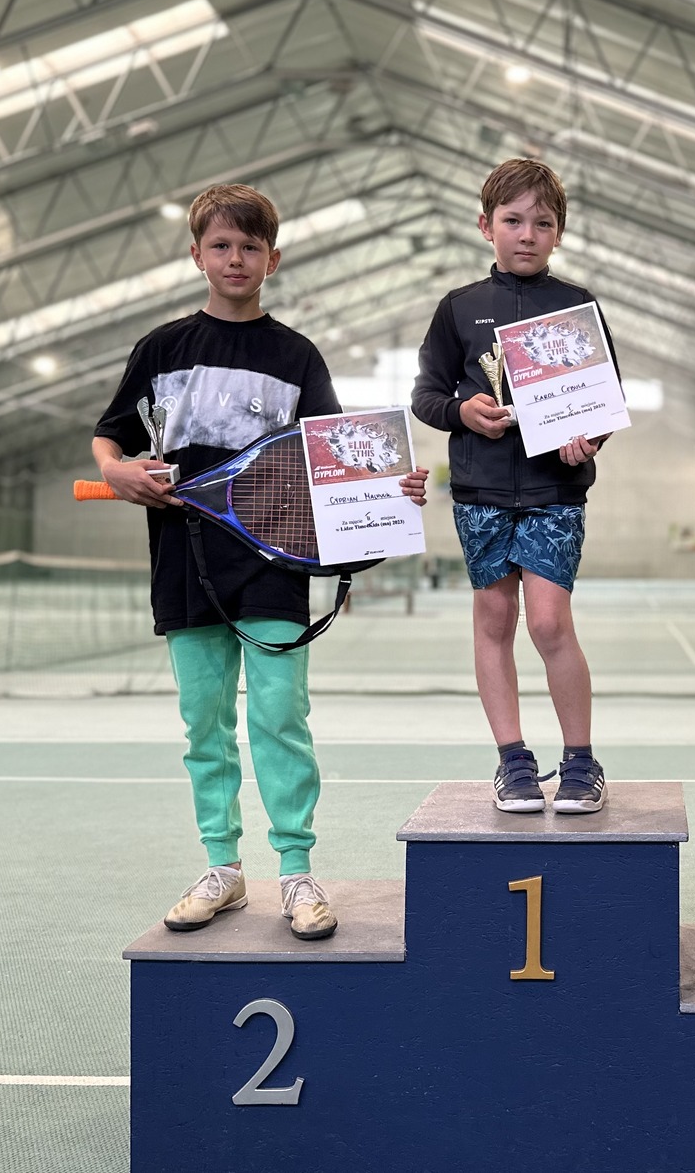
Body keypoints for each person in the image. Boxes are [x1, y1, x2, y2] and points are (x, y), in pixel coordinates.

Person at [92, 183, 427, 939]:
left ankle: (296, 871)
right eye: (221, 245)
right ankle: (223, 868)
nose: (235, 259)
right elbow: (110, 436)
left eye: (250, 247)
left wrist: (394, 489)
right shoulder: (161, 349)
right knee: (203, 724)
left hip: (274, 564)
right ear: (197, 255)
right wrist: (115, 470)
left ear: (272, 259)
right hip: (184, 563)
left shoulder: (296, 356)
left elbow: (340, 462)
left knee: (279, 716)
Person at [410, 158, 613, 814]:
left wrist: (588, 440)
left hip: (555, 492)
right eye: (513, 220)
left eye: (542, 223)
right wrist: (461, 412)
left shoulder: (579, 306)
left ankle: (580, 761)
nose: (527, 234)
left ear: (559, 232)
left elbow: (602, 401)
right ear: (486, 226)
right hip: (481, 493)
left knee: (549, 623)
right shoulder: (458, 309)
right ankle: (513, 760)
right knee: (495, 620)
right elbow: (425, 395)